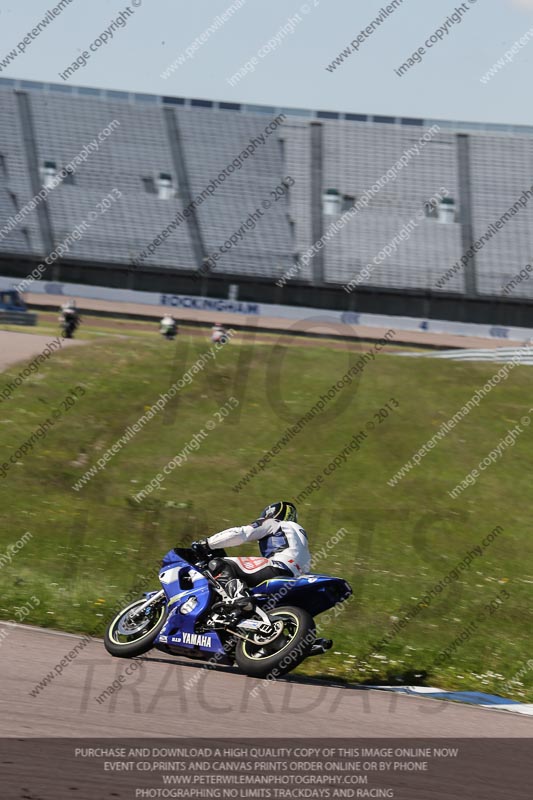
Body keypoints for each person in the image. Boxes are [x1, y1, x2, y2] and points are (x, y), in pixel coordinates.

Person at [196, 501, 311, 607]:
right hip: (297, 576)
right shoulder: (300, 535)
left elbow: (241, 534)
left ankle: (238, 597)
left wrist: (208, 543)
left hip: (278, 567)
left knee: (219, 563)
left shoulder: (274, 522)